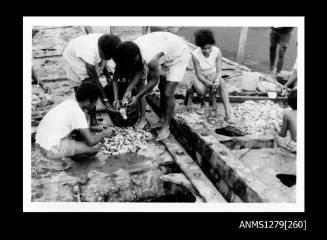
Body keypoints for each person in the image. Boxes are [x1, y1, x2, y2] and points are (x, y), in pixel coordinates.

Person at [114, 32, 191, 140]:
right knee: (162, 87)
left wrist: (137, 96)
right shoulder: (131, 49)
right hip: (165, 53)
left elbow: (153, 81)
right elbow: (138, 70)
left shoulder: (150, 58)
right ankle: (162, 120)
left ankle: (166, 126)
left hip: (178, 55)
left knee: (168, 92)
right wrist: (129, 90)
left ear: (136, 58)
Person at [35, 81, 115, 159]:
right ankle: (69, 157)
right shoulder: (78, 112)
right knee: (94, 148)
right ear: (87, 100)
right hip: (50, 149)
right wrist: (104, 133)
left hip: (40, 143)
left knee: (83, 126)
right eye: (95, 102)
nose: (95, 105)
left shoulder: (70, 102)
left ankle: (72, 149)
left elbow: (72, 125)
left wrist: (93, 129)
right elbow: (91, 141)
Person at [62, 33, 121, 126]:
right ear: (101, 52)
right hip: (74, 58)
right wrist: (105, 100)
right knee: (86, 88)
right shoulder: (88, 52)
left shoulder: (107, 42)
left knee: (93, 89)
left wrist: (108, 76)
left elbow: (103, 61)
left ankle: (92, 119)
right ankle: (88, 120)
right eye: (105, 56)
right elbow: (95, 80)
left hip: (88, 55)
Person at [185, 29, 231, 120]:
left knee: (222, 83)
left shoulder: (217, 51)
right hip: (200, 76)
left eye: (209, 48)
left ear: (212, 45)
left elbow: (219, 70)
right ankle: (203, 104)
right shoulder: (195, 54)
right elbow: (199, 74)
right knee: (201, 90)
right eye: (204, 49)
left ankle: (228, 112)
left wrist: (217, 79)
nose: (207, 51)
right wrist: (207, 82)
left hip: (212, 73)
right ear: (200, 47)